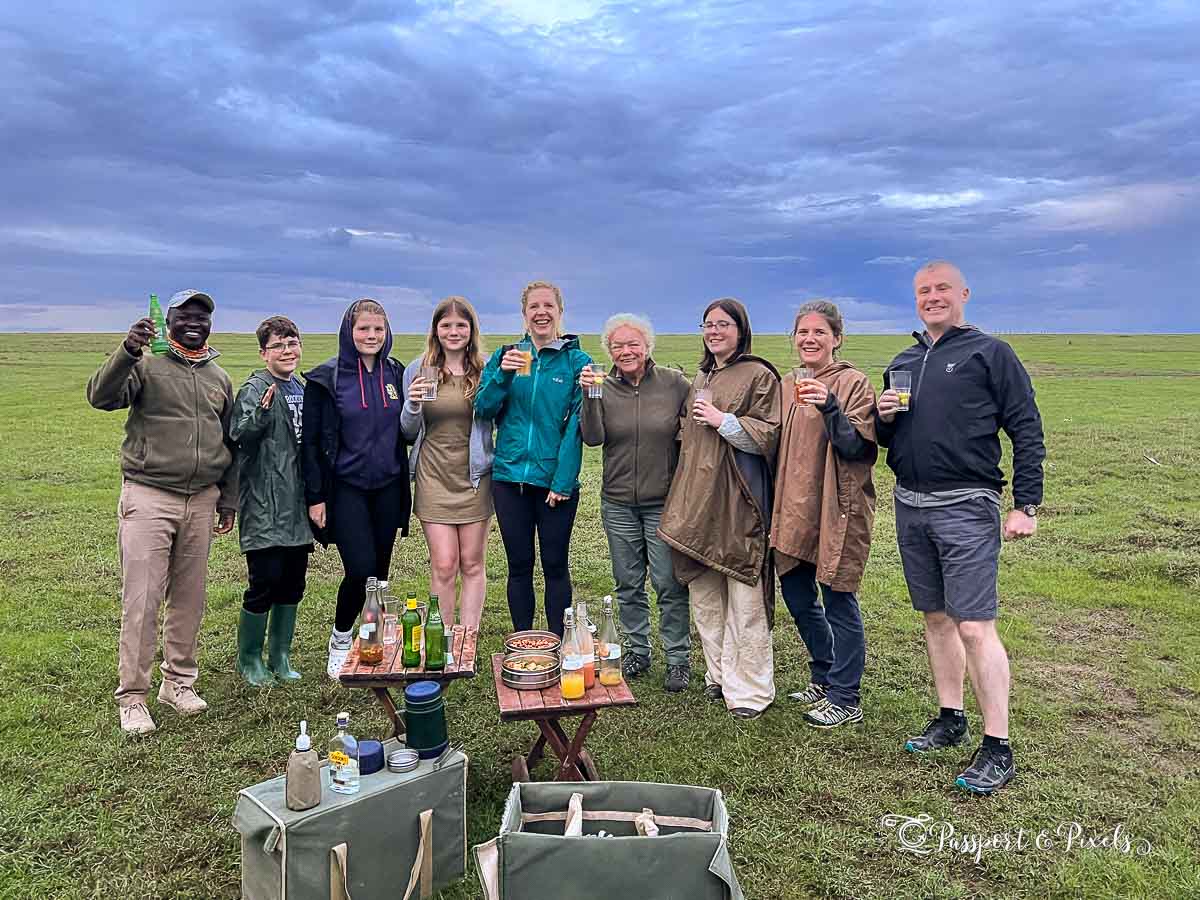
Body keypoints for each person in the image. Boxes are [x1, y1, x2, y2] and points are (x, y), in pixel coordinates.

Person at [876, 260, 1045, 794]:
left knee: (974, 625)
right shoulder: (903, 361)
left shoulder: (990, 353)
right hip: (910, 502)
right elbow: (890, 441)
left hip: (967, 502)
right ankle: (951, 716)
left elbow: (1026, 426)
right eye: (924, 291)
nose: (933, 297)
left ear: (964, 293)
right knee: (936, 619)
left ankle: (999, 746)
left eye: (942, 288)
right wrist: (883, 418)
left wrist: (1027, 504)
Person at [86, 290, 237, 736]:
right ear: (167, 321)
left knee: (190, 598)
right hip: (149, 494)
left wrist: (228, 499)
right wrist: (127, 350)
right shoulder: (145, 365)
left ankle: (178, 683)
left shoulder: (218, 377)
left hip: (202, 498)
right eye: (185, 316)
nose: (195, 323)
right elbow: (101, 396)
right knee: (143, 599)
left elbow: (229, 443)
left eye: (203, 317)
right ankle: (133, 696)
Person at [658, 298, 781, 718]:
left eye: (722, 325)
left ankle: (749, 691)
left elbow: (767, 435)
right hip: (698, 501)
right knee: (706, 594)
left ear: (740, 330)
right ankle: (720, 675)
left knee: (744, 598)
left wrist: (721, 419)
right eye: (707, 325)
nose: (713, 332)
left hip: (738, 501)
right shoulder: (704, 374)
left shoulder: (759, 374)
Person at [770, 301, 877, 729]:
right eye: (803, 333)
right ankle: (824, 674)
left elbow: (857, 447)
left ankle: (846, 695)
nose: (810, 340)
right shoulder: (787, 383)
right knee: (797, 596)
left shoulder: (853, 383)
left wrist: (830, 405)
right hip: (794, 504)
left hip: (838, 505)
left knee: (838, 598)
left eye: (819, 333)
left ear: (837, 338)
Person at [580, 313, 693, 691]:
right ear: (608, 351)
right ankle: (637, 651)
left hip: (663, 502)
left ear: (647, 347)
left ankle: (677, 658)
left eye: (633, 344)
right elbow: (593, 438)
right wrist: (588, 395)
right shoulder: (603, 385)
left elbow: (693, 428)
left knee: (668, 583)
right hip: (618, 501)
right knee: (628, 583)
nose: (626, 351)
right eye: (618, 345)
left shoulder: (674, 383)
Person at [301, 299, 411, 679]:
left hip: (387, 486)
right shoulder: (325, 379)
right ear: (349, 332)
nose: (371, 336)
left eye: (378, 329)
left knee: (380, 575)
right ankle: (341, 637)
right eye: (364, 329)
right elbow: (312, 445)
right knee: (360, 569)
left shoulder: (396, 373)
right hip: (345, 488)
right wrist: (315, 497)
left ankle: (372, 638)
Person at [474, 280, 591, 636]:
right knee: (519, 565)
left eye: (548, 306)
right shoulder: (509, 355)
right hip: (509, 479)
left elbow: (577, 427)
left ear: (559, 312)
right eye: (533, 307)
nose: (541, 313)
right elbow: (483, 408)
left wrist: (563, 481)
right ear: (524, 315)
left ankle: (558, 643)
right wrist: (503, 375)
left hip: (553, 483)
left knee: (556, 565)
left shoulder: (576, 362)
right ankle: (525, 641)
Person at [401, 296, 494, 631]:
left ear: (471, 330)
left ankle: (467, 638)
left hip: (474, 478)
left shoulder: (486, 369)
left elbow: (505, 414)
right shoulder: (418, 369)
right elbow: (408, 432)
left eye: (461, 325)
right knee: (443, 564)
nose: (454, 332)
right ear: (436, 330)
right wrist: (411, 404)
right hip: (433, 477)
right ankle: (443, 636)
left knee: (472, 563)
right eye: (446, 325)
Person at [230, 316, 314, 686]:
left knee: (293, 583)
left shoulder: (300, 386)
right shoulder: (256, 387)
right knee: (264, 581)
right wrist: (261, 411)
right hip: (265, 501)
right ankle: (250, 659)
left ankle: (280, 655)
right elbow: (239, 434)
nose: (286, 351)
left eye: (291, 343)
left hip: (297, 503)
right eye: (278, 346)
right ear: (264, 353)